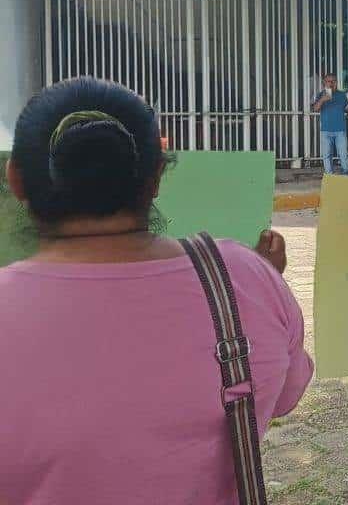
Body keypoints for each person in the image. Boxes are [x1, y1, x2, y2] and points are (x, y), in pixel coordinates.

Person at [0, 77, 313, 504]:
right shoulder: (244, 279)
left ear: (15, 179)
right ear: (157, 177)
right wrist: (265, 280)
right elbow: (285, 395)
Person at [312, 72, 348, 175]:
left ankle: (346, 174)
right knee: (326, 155)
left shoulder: (342, 95)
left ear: (336, 82)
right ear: (324, 83)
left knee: (343, 154)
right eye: (328, 81)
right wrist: (322, 100)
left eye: (333, 81)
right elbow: (315, 109)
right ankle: (329, 176)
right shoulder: (320, 94)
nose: (331, 83)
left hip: (340, 130)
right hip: (326, 131)